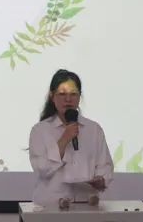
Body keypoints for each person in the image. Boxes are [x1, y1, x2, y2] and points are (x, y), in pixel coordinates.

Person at [28, 69, 114, 207]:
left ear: (79, 97)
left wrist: (101, 180)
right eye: (62, 94)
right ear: (52, 96)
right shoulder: (40, 131)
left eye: (73, 94)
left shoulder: (94, 129)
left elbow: (105, 166)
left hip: (87, 206)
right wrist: (64, 139)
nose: (68, 99)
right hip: (50, 207)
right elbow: (42, 169)